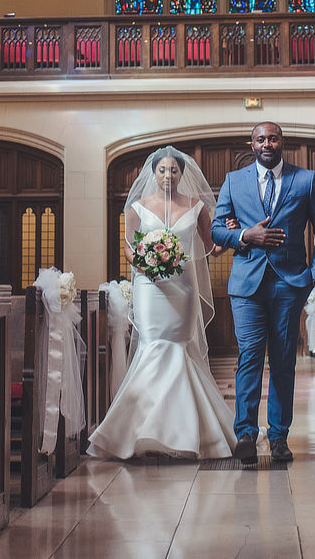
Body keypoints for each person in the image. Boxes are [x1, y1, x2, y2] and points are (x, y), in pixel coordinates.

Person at [89, 146, 235, 460]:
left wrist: (232, 239)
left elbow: (209, 246)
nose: (168, 175)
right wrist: (143, 261)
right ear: (153, 173)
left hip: (182, 287)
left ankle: (181, 432)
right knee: (152, 344)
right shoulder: (138, 208)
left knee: (177, 347)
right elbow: (129, 247)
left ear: (182, 174)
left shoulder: (196, 206)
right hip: (148, 285)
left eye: (174, 170)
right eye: (162, 170)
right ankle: (141, 430)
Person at [211, 122, 315, 464]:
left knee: (282, 360)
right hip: (246, 285)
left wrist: (313, 275)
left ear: (282, 142)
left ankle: (279, 436)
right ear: (251, 144)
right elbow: (216, 229)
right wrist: (245, 236)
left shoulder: (305, 180)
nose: (267, 143)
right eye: (260, 139)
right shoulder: (234, 182)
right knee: (250, 355)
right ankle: (246, 434)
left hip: (289, 283)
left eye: (273, 138)